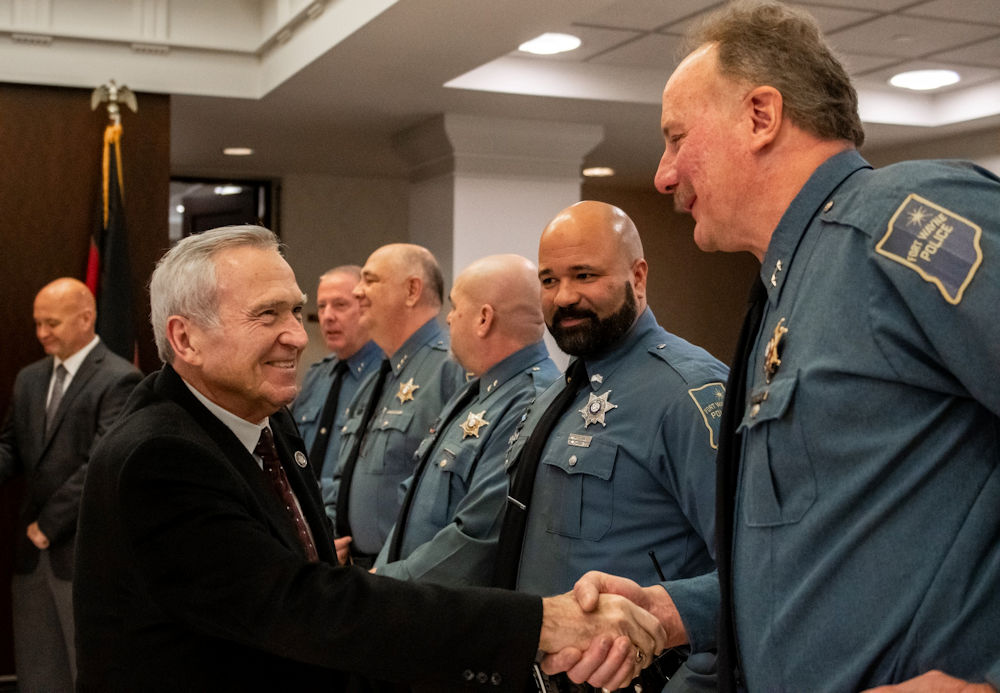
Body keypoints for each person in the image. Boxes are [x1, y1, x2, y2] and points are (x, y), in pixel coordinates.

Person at [552, 2, 1000, 692]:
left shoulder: (898, 223)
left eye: (677, 138)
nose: (665, 174)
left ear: (761, 116)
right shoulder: (783, 292)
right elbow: (813, 554)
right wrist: (675, 609)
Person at [73, 225, 668, 692]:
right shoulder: (161, 457)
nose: (298, 335)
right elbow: (303, 606)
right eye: (266, 315)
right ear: (185, 339)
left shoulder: (263, 417)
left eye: (292, 310)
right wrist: (539, 623)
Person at [495, 201, 727, 691]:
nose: (564, 297)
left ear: (638, 277)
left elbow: (756, 574)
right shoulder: (561, 392)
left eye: (584, 275)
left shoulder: (688, 393)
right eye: (549, 280)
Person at [372, 254, 559, 585]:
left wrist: (388, 585)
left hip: (447, 612)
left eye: (455, 307)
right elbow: (412, 503)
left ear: (483, 319)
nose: (448, 319)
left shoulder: (531, 401)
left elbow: (476, 538)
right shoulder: (476, 390)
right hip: (414, 601)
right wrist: (383, 573)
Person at [0, 277, 140, 692]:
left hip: (82, 554)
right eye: (38, 323)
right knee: (38, 673)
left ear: (85, 318)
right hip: (30, 559)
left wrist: (48, 526)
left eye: (52, 324)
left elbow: (103, 464)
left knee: (88, 674)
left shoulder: (120, 379)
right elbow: (11, 446)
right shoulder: (29, 378)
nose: (42, 333)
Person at [329, 243, 466, 566]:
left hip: (407, 574)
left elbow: (458, 492)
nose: (358, 291)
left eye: (370, 280)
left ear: (411, 290)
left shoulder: (450, 368)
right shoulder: (379, 376)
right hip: (359, 570)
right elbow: (343, 475)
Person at [292, 264, 382, 561]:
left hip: (355, 547)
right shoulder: (317, 376)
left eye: (340, 305)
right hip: (305, 533)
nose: (328, 316)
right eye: (321, 306)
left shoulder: (387, 378)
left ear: (367, 307)